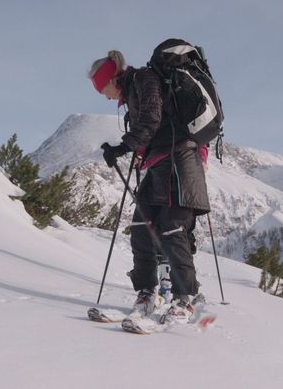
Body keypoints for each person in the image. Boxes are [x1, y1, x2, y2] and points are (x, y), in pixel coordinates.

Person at [88, 49, 211, 324]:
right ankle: (146, 293)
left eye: (101, 89)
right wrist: (137, 151)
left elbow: (152, 120)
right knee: (142, 227)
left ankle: (184, 299)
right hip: (159, 162)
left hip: (180, 159)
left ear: (111, 79)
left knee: (173, 227)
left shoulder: (144, 79)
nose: (105, 96)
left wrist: (123, 147)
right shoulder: (133, 89)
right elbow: (152, 126)